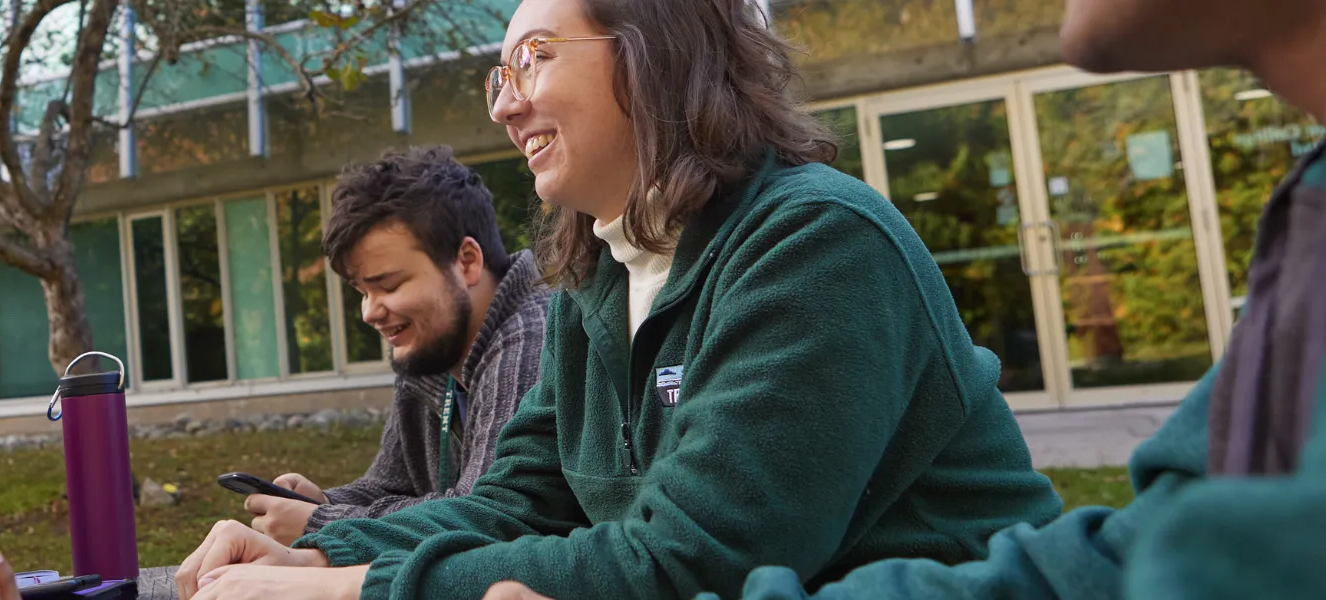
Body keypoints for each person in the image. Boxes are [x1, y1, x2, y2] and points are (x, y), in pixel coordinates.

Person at [174, 0, 1065, 598]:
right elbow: (516, 503)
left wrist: (347, 586)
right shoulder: (599, 278)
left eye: (531, 60)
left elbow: (693, 561)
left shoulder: (817, 244)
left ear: (651, 52)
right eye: (500, 76)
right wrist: (318, 549)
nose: (504, 107)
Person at [671, 0, 1326, 598]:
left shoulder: (816, 231)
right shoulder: (1309, 227)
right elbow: (1127, 557)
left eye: (561, 50)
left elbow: (706, 546)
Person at [243, 146, 549, 546]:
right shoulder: (434, 346)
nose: (370, 311)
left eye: (388, 285)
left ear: (468, 262)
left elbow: (486, 516)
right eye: (362, 290)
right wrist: (321, 501)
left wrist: (321, 522)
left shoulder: (534, 338)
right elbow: (388, 489)